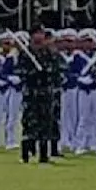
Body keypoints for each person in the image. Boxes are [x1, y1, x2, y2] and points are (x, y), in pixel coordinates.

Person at [18, 25, 67, 164]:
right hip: (31, 93)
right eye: (37, 33)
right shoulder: (26, 53)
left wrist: (48, 70)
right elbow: (20, 71)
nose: (40, 36)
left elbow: (61, 67)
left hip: (46, 92)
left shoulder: (50, 52)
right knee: (29, 122)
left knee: (46, 122)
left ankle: (44, 154)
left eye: (42, 33)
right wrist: (32, 72)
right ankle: (26, 153)